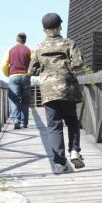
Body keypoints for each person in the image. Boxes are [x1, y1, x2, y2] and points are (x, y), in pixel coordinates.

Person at [28, 12, 85, 174]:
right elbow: (79, 62)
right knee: (72, 121)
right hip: (67, 88)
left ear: (44, 29)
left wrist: (45, 70)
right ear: (59, 26)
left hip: (48, 91)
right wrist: (67, 67)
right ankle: (74, 151)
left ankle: (59, 163)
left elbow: (31, 70)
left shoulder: (39, 47)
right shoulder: (68, 43)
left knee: (54, 126)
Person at [2, 32, 32, 129]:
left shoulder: (10, 50)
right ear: (25, 40)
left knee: (14, 99)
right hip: (25, 76)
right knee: (25, 100)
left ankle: (16, 120)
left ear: (17, 40)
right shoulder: (29, 50)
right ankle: (24, 123)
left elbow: (4, 65)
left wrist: (8, 74)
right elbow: (33, 64)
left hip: (13, 76)